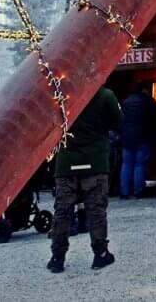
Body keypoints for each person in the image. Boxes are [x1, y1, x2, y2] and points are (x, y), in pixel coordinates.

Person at [47, 86, 122, 274]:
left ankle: (57, 257)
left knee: (62, 212)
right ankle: (100, 253)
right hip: (95, 162)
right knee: (96, 210)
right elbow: (118, 122)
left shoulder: (59, 95)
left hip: (66, 162)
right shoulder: (105, 96)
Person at [118, 82, 156, 199]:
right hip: (142, 137)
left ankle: (124, 192)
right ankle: (138, 191)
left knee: (126, 164)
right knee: (139, 165)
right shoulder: (147, 100)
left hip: (126, 138)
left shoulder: (125, 101)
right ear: (144, 90)